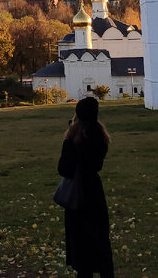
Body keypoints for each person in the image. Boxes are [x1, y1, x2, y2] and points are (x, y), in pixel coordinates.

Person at [57, 96, 113, 278]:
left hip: (78, 195)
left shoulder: (73, 138)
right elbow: (96, 165)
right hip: (94, 192)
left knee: (81, 242)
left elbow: (64, 169)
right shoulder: (100, 136)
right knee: (100, 240)